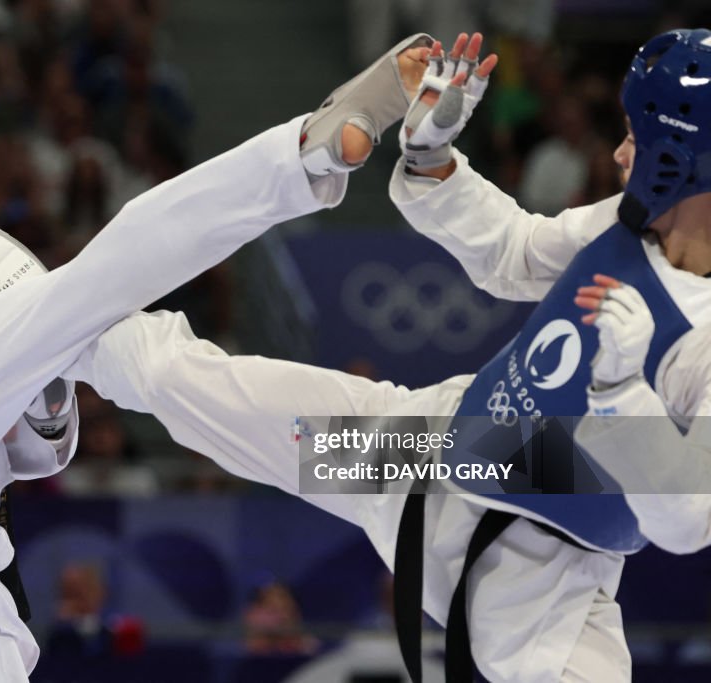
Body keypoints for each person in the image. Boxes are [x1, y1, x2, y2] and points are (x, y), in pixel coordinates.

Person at [0, 22, 434, 682]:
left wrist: (44, 418)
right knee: (86, 289)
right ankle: (298, 155)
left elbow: (18, 449)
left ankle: (109, 340)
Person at [64, 30, 711, 681]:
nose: (621, 154)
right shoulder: (624, 222)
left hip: (542, 591)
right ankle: (35, 312)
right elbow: (517, 250)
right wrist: (433, 156)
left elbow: (687, 521)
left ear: (688, 158)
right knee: (202, 389)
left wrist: (624, 388)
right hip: (415, 452)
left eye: (639, 137)